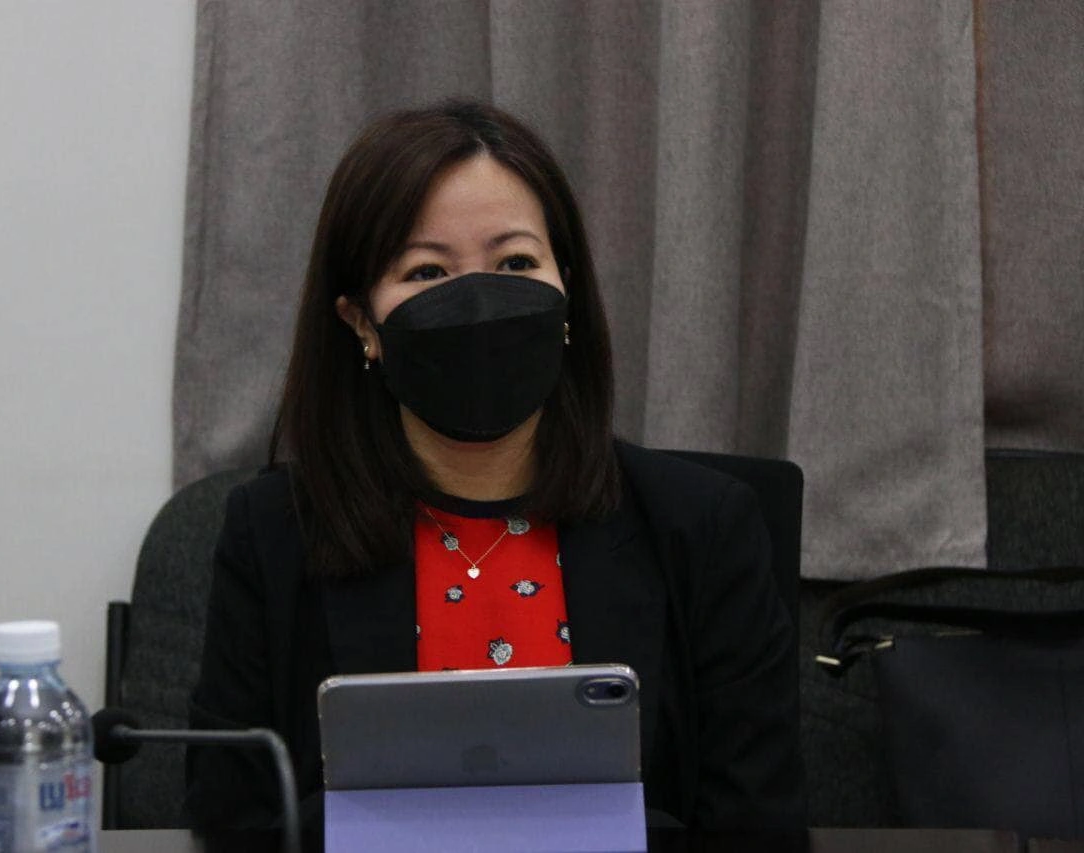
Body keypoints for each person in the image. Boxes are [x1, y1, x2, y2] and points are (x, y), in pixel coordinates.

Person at [185, 99, 804, 841]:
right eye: (427, 271)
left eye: (515, 263)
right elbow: (232, 823)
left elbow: (760, 826)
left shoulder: (704, 526)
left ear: (566, 291)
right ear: (361, 324)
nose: (478, 303)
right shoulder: (272, 534)